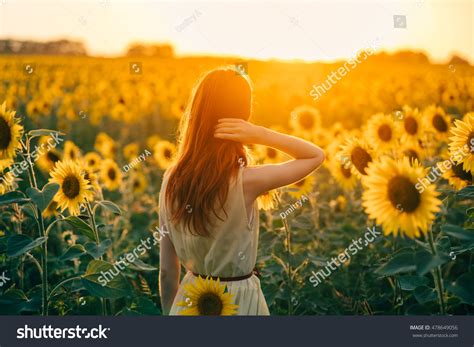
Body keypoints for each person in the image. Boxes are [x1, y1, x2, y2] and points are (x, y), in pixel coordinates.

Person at [159, 67, 325, 315]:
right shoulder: (246, 181)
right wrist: (260, 134)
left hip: (189, 300)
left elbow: (167, 271)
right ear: (243, 116)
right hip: (238, 301)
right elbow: (315, 155)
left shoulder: (171, 179)